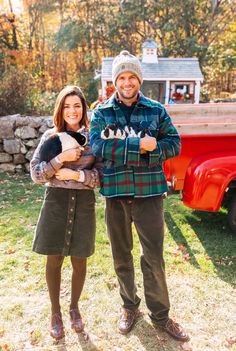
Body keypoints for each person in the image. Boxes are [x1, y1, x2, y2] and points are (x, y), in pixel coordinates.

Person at [90, 51, 189, 342]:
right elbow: (97, 146)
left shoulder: (156, 110)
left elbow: (174, 144)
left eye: (132, 76)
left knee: (154, 258)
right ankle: (129, 307)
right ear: (115, 81)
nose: (127, 81)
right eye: (122, 77)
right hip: (116, 194)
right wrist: (139, 146)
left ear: (139, 80)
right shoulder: (102, 112)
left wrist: (152, 149)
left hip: (149, 196)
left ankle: (160, 315)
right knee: (122, 256)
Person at [30, 85, 101, 341]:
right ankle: (56, 313)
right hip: (56, 202)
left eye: (77, 106)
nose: (72, 111)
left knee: (79, 259)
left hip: (83, 203)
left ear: (84, 109)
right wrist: (60, 160)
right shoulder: (51, 136)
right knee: (55, 260)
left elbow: (101, 178)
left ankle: (74, 308)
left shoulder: (94, 138)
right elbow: (36, 173)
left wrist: (77, 174)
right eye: (67, 106)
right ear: (61, 109)